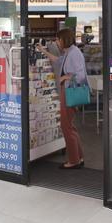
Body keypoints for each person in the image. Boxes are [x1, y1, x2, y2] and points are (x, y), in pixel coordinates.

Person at [37, 28, 87, 169]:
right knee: (70, 126)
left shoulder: (73, 53)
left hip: (70, 91)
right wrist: (43, 50)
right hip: (69, 91)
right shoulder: (70, 52)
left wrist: (65, 77)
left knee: (66, 127)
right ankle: (79, 157)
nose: (57, 42)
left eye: (58, 39)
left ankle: (73, 161)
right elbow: (58, 61)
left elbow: (80, 75)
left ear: (64, 39)